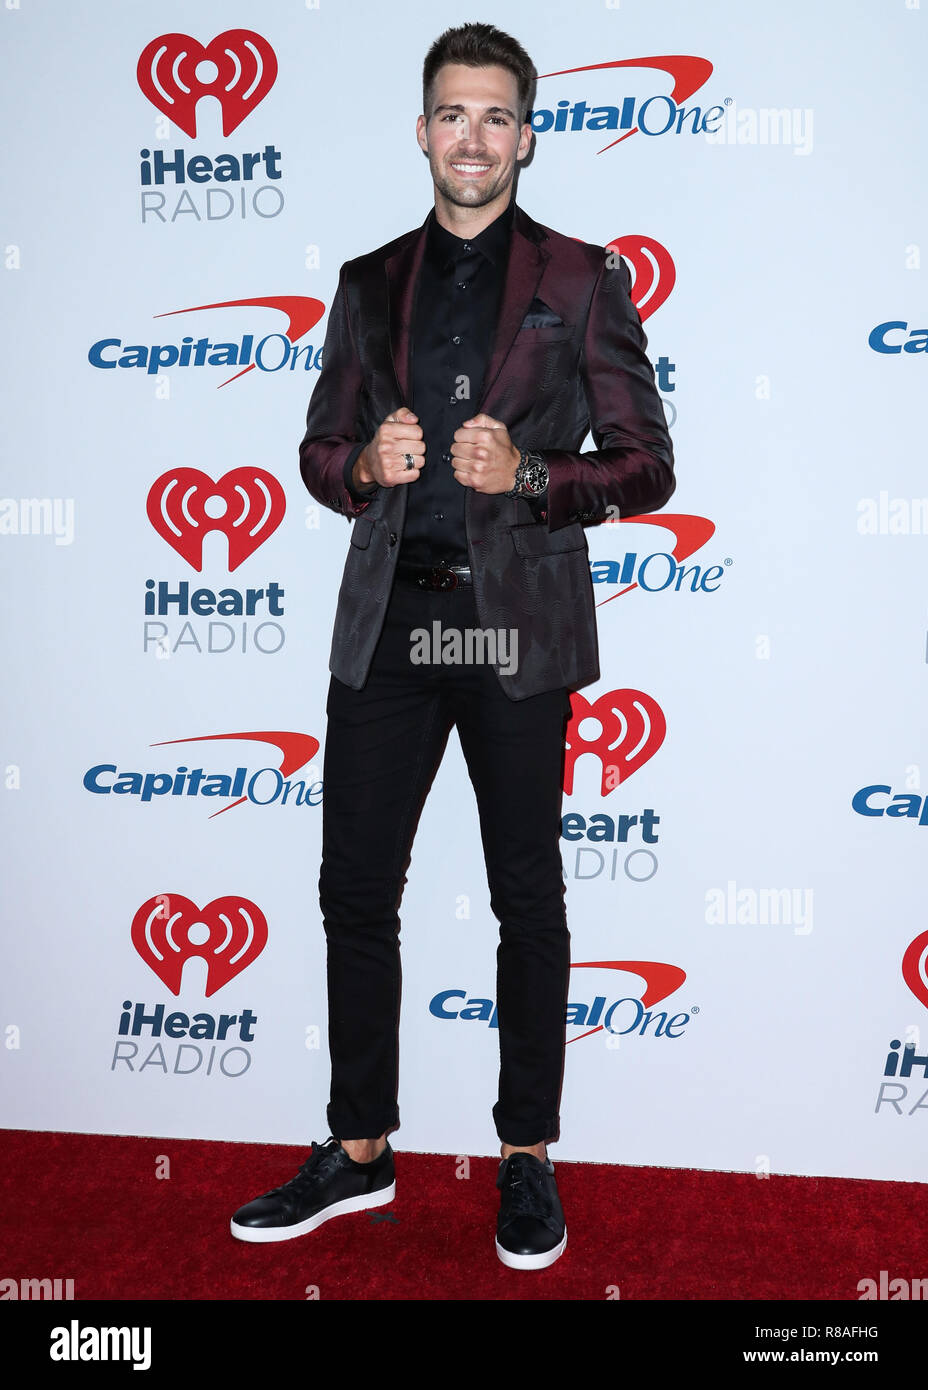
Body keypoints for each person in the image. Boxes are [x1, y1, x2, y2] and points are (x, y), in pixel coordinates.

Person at [231, 21, 674, 1270]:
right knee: (353, 893)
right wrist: (361, 462)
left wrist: (532, 473)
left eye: (495, 116)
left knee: (525, 896)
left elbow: (647, 464)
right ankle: (360, 1147)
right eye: (451, 114)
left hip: (514, 633)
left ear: (525, 136)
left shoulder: (582, 280)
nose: (471, 137)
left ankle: (526, 1156)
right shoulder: (369, 281)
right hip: (389, 623)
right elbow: (318, 455)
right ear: (421, 130)